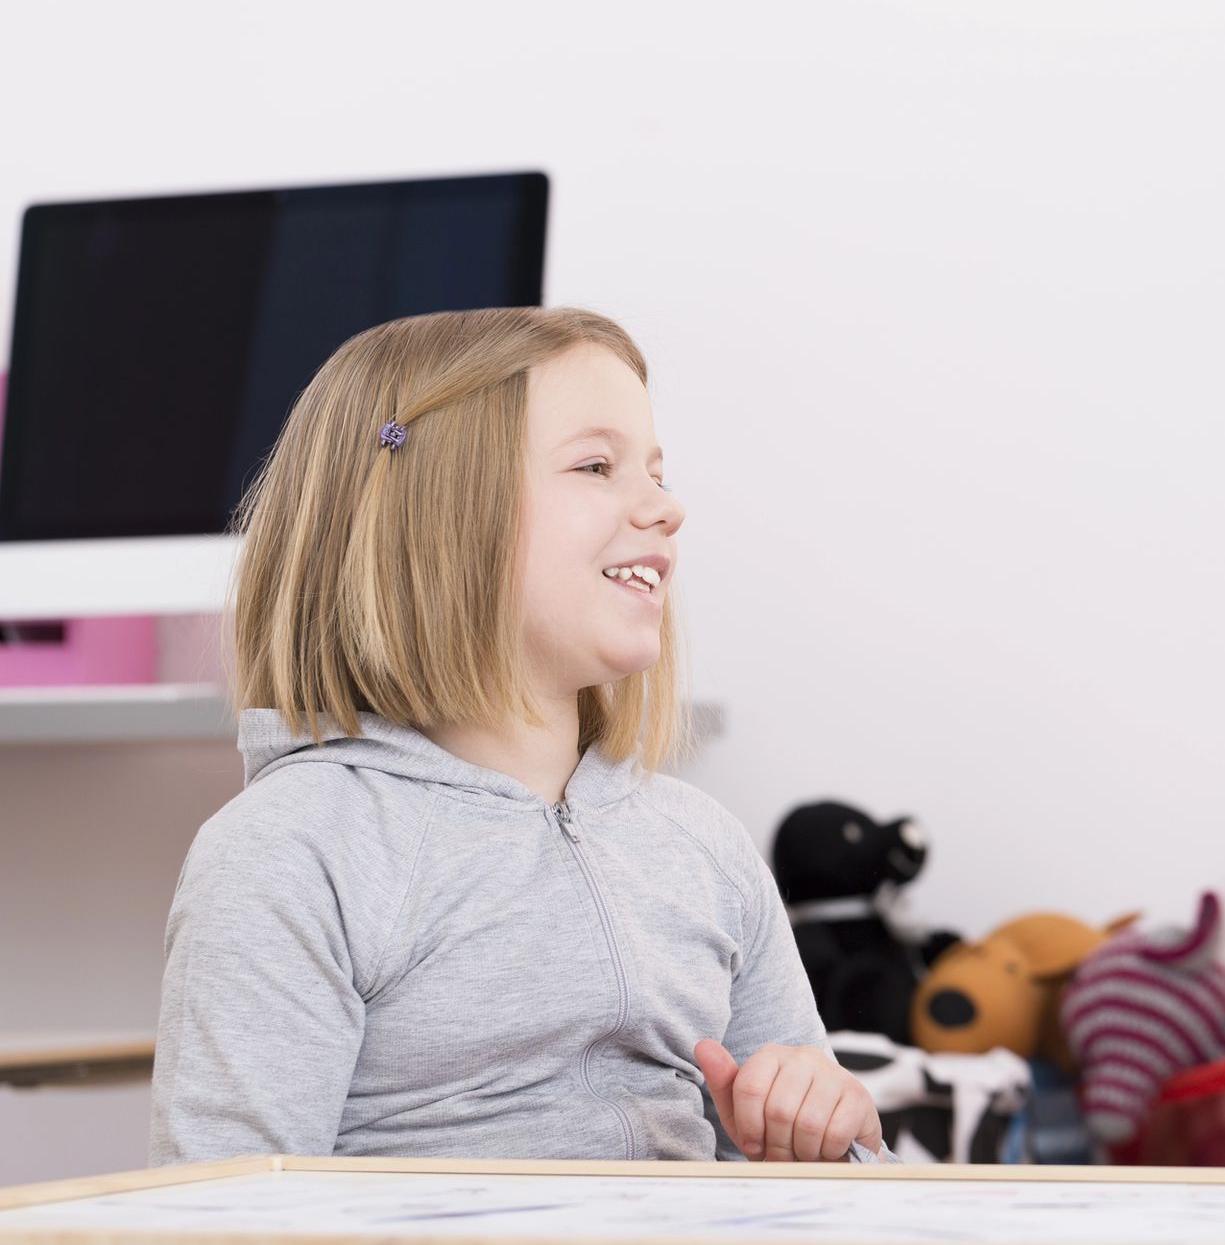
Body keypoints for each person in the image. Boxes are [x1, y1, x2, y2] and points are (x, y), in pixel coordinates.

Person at [149, 307, 885, 1166]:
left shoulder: (700, 848)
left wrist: (829, 1137)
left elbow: (851, 1188)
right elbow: (216, 1215)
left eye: (655, 471)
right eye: (598, 466)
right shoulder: (294, 851)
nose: (665, 507)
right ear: (435, 516)